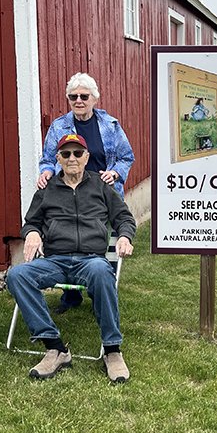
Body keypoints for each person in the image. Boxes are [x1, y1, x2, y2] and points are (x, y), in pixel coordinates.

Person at [7, 134, 136, 383]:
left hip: (90, 260)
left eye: (78, 153)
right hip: (54, 260)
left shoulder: (101, 186)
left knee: (102, 273)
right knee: (17, 275)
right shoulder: (48, 190)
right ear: (58, 159)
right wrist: (32, 233)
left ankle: (112, 350)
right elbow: (31, 222)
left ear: (87, 157)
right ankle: (55, 347)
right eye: (66, 154)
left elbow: (124, 218)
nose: (72, 158)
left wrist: (125, 237)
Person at [37, 72, 135, 313]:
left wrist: (115, 173)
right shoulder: (59, 126)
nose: (78, 100)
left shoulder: (110, 125)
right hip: (68, 192)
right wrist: (46, 172)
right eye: (73, 97)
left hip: (101, 195)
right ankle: (71, 296)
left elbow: (126, 156)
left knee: (101, 242)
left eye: (84, 96)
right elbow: (48, 159)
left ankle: (100, 292)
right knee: (67, 240)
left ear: (94, 98)